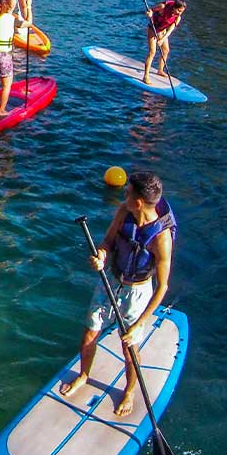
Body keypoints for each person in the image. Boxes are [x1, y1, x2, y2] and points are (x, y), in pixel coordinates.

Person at [59, 171, 175, 417]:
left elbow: (162, 286)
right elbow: (108, 241)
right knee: (90, 333)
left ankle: (130, 391)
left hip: (138, 292)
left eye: (128, 193)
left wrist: (139, 324)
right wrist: (101, 256)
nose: (124, 195)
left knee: (129, 349)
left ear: (139, 202)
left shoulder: (161, 238)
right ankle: (84, 375)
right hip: (111, 279)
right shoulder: (124, 212)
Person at [143, 0, 187, 84]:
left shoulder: (178, 18)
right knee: (152, 52)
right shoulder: (163, 7)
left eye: (182, 11)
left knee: (166, 50)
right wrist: (149, 14)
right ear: (174, 7)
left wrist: (162, 39)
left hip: (162, 31)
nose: (180, 13)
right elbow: (150, 10)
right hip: (153, 29)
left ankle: (160, 70)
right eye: (179, 10)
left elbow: (170, 30)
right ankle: (146, 76)